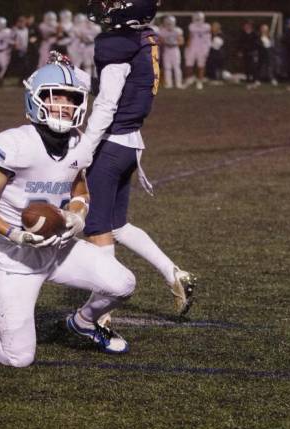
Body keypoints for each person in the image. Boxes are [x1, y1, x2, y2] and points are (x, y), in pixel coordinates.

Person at [0, 63, 136, 367]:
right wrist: (14, 233)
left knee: (123, 283)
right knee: (18, 357)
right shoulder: (16, 143)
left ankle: (84, 323)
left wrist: (77, 215)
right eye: (56, 97)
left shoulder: (78, 143)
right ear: (36, 99)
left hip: (59, 249)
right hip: (16, 259)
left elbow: (80, 192)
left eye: (71, 98)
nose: (64, 106)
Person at [82, 0, 197, 322]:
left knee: (97, 227)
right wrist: (76, 74)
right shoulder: (143, 39)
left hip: (111, 145)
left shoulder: (116, 45)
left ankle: (100, 312)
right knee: (117, 225)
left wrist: (85, 148)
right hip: (130, 145)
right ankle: (174, 273)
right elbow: (119, 89)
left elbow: (106, 104)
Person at [184, 11, 211, 90]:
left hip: (202, 47)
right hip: (193, 47)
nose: (198, 20)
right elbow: (190, 36)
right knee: (189, 64)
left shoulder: (206, 26)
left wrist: (207, 48)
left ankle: (200, 81)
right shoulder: (192, 26)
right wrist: (188, 47)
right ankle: (189, 79)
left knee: (201, 65)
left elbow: (208, 38)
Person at [158, 15, 184, 89]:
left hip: (175, 49)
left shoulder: (177, 30)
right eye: (168, 23)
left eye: (170, 23)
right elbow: (160, 41)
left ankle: (178, 83)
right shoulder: (162, 31)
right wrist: (165, 42)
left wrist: (173, 43)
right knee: (167, 67)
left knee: (177, 67)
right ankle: (169, 83)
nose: (169, 25)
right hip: (167, 50)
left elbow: (181, 41)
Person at [238, 20, 260, 89]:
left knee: (253, 67)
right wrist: (240, 51)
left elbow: (257, 43)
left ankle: (255, 80)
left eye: (248, 25)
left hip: (253, 52)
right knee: (246, 67)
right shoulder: (242, 34)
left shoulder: (255, 34)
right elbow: (240, 43)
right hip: (246, 53)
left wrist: (254, 50)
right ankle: (248, 81)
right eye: (245, 25)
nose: (246, 27)